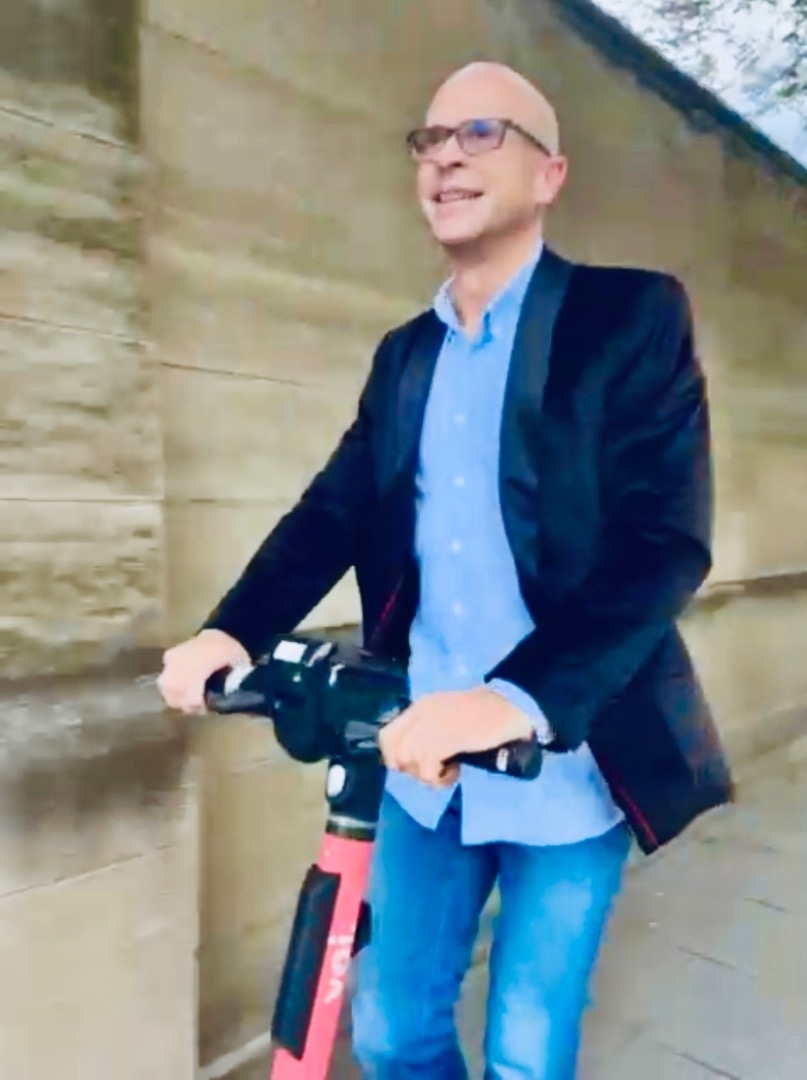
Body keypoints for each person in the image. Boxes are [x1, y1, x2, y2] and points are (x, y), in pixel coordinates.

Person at [159, 61, 733, 1080]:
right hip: (419, 761)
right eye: (429, 139)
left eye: (480, 132)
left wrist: (515, 698)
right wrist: (229, 630)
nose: (445, 157)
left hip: (565, 761)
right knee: (390, 1033)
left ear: (549, 174)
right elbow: (332, 512)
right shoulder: (405, 356)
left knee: (525, 1054)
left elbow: (665, 539)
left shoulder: (629, 317)